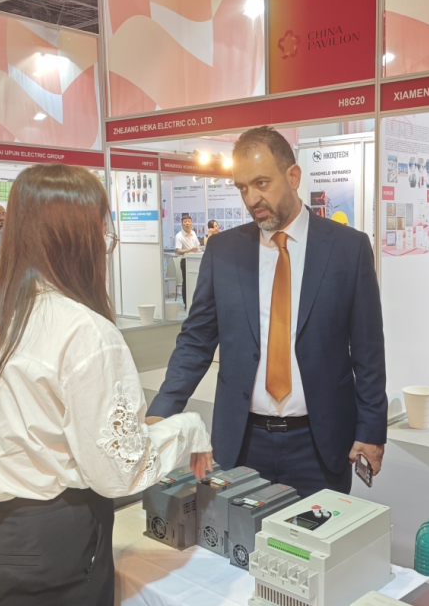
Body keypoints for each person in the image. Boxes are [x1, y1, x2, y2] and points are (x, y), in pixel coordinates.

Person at [0, 165, 212, 606]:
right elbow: (119, 470)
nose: (104, 244)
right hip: (51, 552)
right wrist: (188, 430)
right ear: (77, 236)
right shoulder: (84, 332)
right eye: (101, 230)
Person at [146, 126, 387, 497]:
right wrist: (162, 409)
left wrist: (371, 429)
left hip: (321, 444)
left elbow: (368, 351)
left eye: (261, 183)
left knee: (318, 534)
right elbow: (196, 341)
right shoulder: (224, 251)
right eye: (242, 187)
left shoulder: (348, 248)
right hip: (242, 442)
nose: (251, 198)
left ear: (293, 176)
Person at [175, 214, 201, 309]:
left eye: (189, 222)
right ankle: (186, 304)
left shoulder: (193, 233)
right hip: (185, 261)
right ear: (182, 224)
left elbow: (197, 246)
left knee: (195, 282)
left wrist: (196, 249)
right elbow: (178, 251)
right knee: (186, 282)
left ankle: (194, 303)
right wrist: (190, 250)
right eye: (185, 222)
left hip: (195, 260)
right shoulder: (179, 236)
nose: (187, 224)